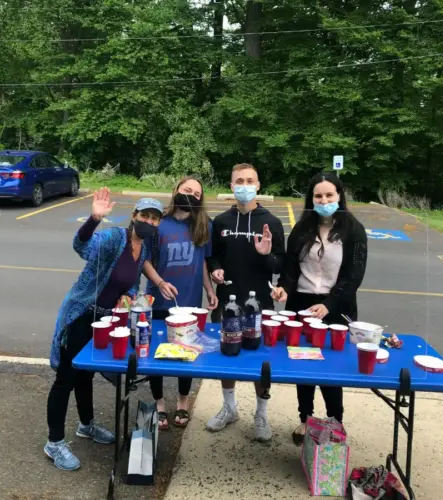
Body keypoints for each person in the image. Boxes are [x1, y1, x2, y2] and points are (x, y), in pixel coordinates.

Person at [45, 188, 164, 471]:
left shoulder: (143, 248)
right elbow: (83, 246)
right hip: (82, 316)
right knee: (67, 377)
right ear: (134, 216)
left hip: (106, 321)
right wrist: (94, 219)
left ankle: (86, 425)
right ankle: (54, 442)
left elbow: (132, 279)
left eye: (154, 218)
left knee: (86, 374)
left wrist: (133, 296)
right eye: (144, 215)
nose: (149, 221)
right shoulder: (114, 238)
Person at [272, 171, 368, 445]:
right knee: (303, 366)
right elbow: (291, 269)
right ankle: (305, 419)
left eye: (329, 195)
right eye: (318, 195)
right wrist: (283, 288)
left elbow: (354, 277)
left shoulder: (354, 231)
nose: (324, 200)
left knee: (331, 369)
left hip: (335, 307)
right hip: (301, 304)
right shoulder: (302, 229)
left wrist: (329, 305)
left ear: (339, 196)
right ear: (311, 198)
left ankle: (335, 420)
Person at [205, 163, 285, 442]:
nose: (244, 184)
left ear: (258, 185)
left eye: (250, 180)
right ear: (231, 186)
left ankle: (261, 412)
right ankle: (229, 408)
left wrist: (265, 254)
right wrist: (215, 269)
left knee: (258, 361)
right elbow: (212, 256)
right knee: (228, 356)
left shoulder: (271, 222)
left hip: (259, 303)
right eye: (239, 180)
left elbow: (279, 264)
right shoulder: (222, 222)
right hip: (228, 301)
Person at [144, 176, 218, 430]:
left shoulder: (204, 225)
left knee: (187, 353)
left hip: (189, 303)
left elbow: (205, 262)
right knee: (157, 353)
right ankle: (160, 403)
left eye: (196, 194)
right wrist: (160, 282)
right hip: (158, 301)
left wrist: (210, 290)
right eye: (187, 190)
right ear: (176, 190)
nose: (190, 196)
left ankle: (183, 402)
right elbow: (145, 261)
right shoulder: (159, 224)